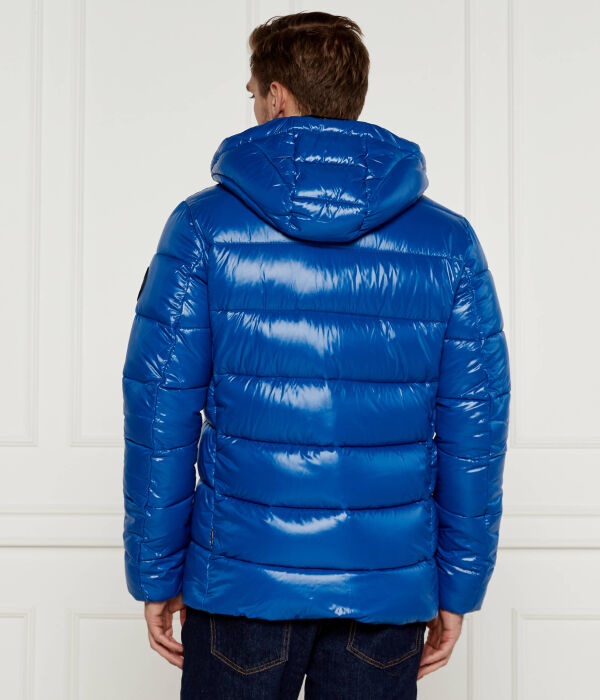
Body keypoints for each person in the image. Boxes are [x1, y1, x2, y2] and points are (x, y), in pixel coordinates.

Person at [121, 11, 511, 700]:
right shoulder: (448, 243)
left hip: (241, 578)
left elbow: (160, 411)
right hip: (384, 586)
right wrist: (459, 584)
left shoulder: (202, 227)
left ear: (276, 96)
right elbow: (475, 427)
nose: (253, 106)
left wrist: (155, 570)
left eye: (252, 94)